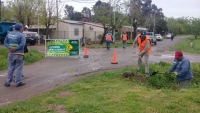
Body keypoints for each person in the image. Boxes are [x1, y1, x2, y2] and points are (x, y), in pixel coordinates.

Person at [4, 23, 26, 87]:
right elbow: (22, 44)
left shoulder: (9, 34)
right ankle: (18, 82)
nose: (22, 28)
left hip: (10, 54)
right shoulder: (21, 35)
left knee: (10, 68)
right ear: (20, 28)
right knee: (18, 68)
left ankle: (7, 82)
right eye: (22, 27)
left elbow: (5, 43)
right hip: (19, 54)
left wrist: (9, 47)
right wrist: (15, 48)